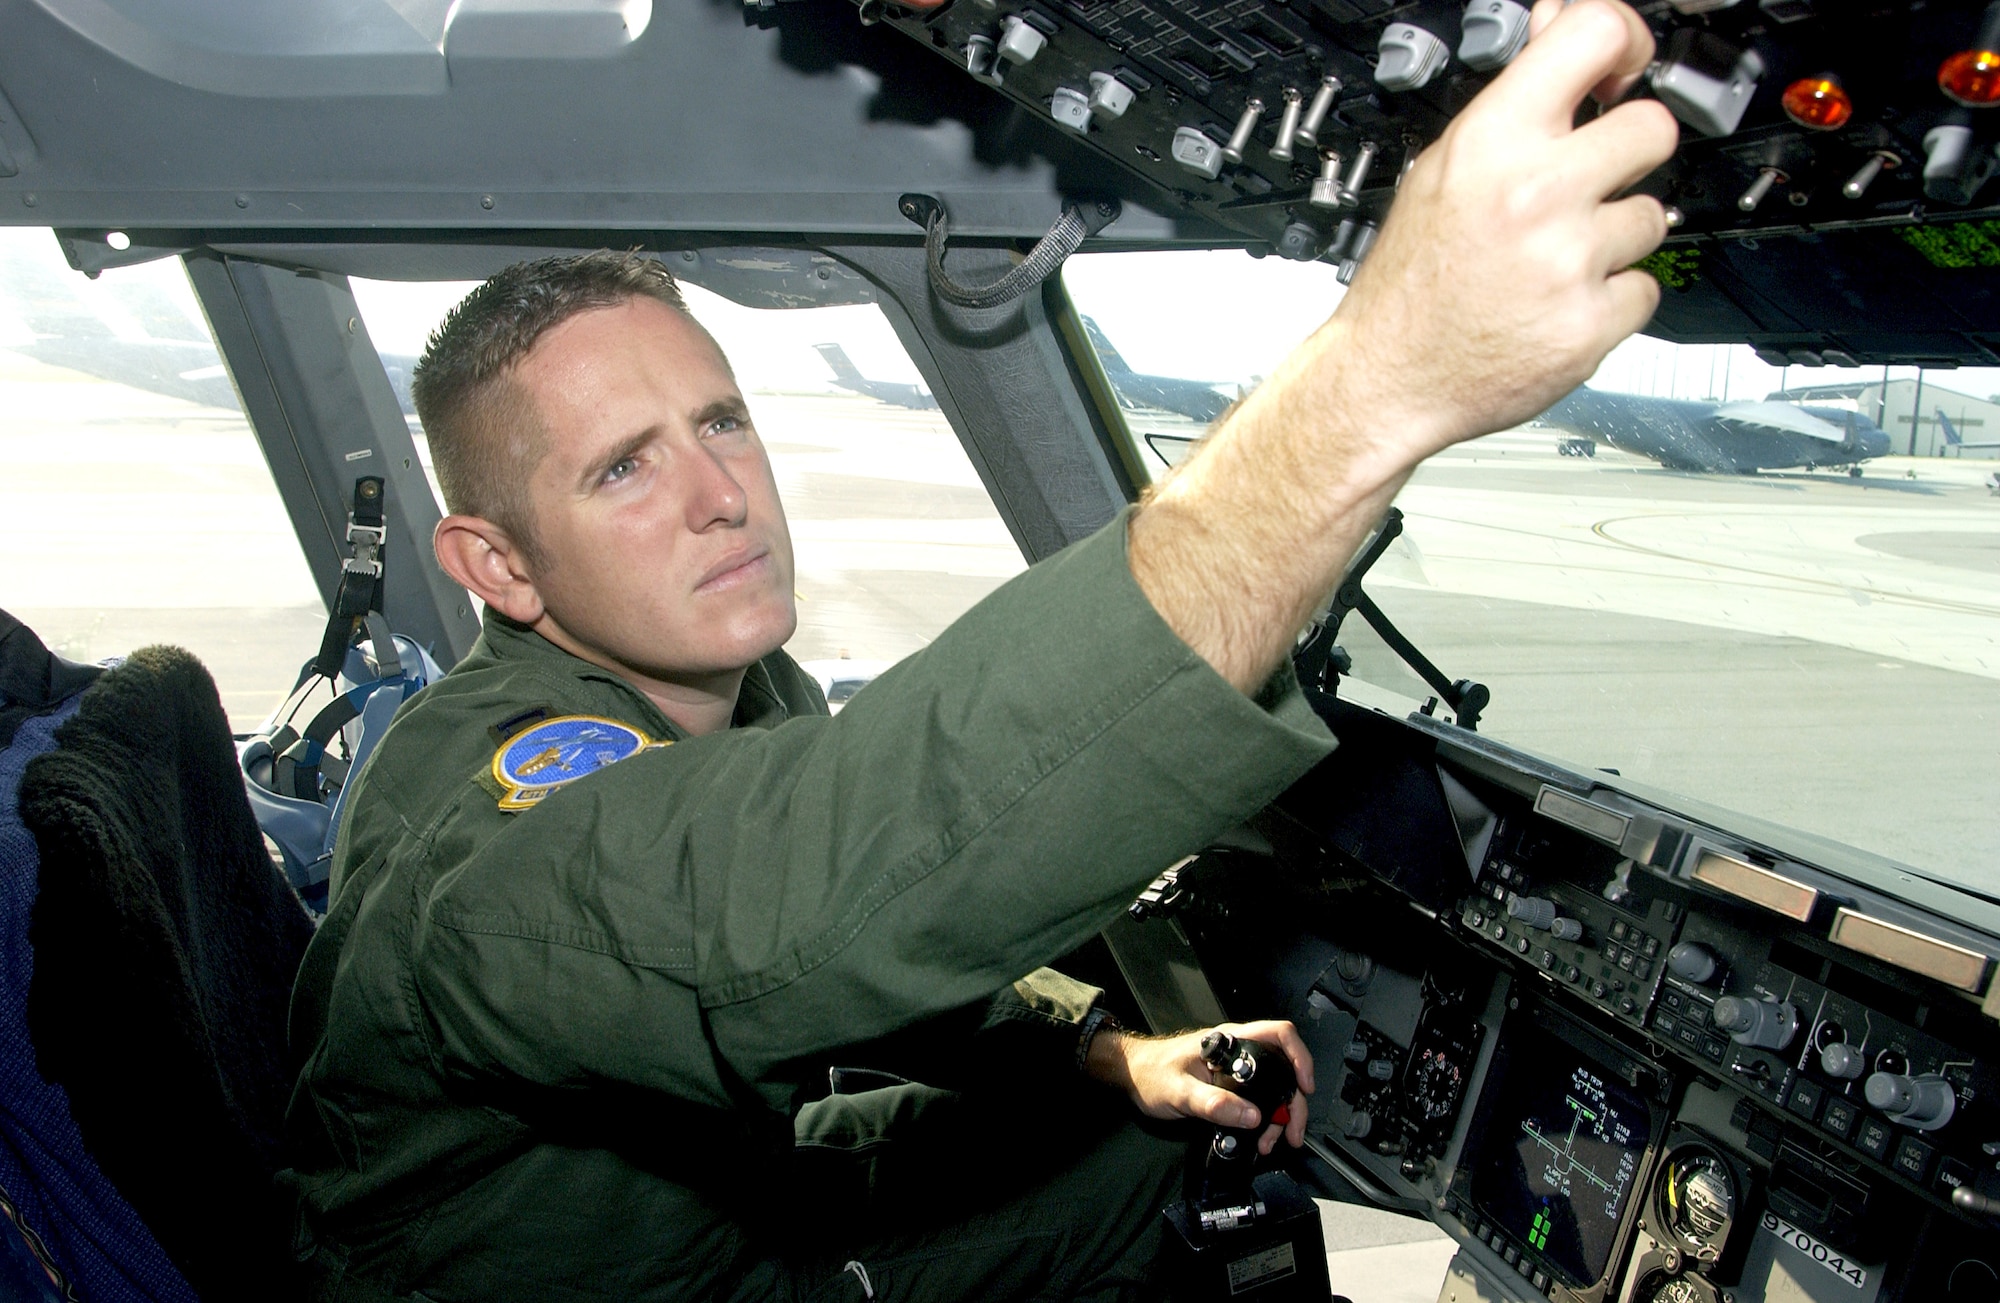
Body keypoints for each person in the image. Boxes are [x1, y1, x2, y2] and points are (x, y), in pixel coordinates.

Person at [278, 0, 1676, 1297]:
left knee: (1159, 1137)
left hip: (712, 1202)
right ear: (497, 566)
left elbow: (845, 955)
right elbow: (795, 907)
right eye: (620, 472)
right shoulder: (498, 838)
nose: (720, 493)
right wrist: (1386, 377)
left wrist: (1099, 1052)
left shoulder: (710, 697)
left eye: (719, 421)